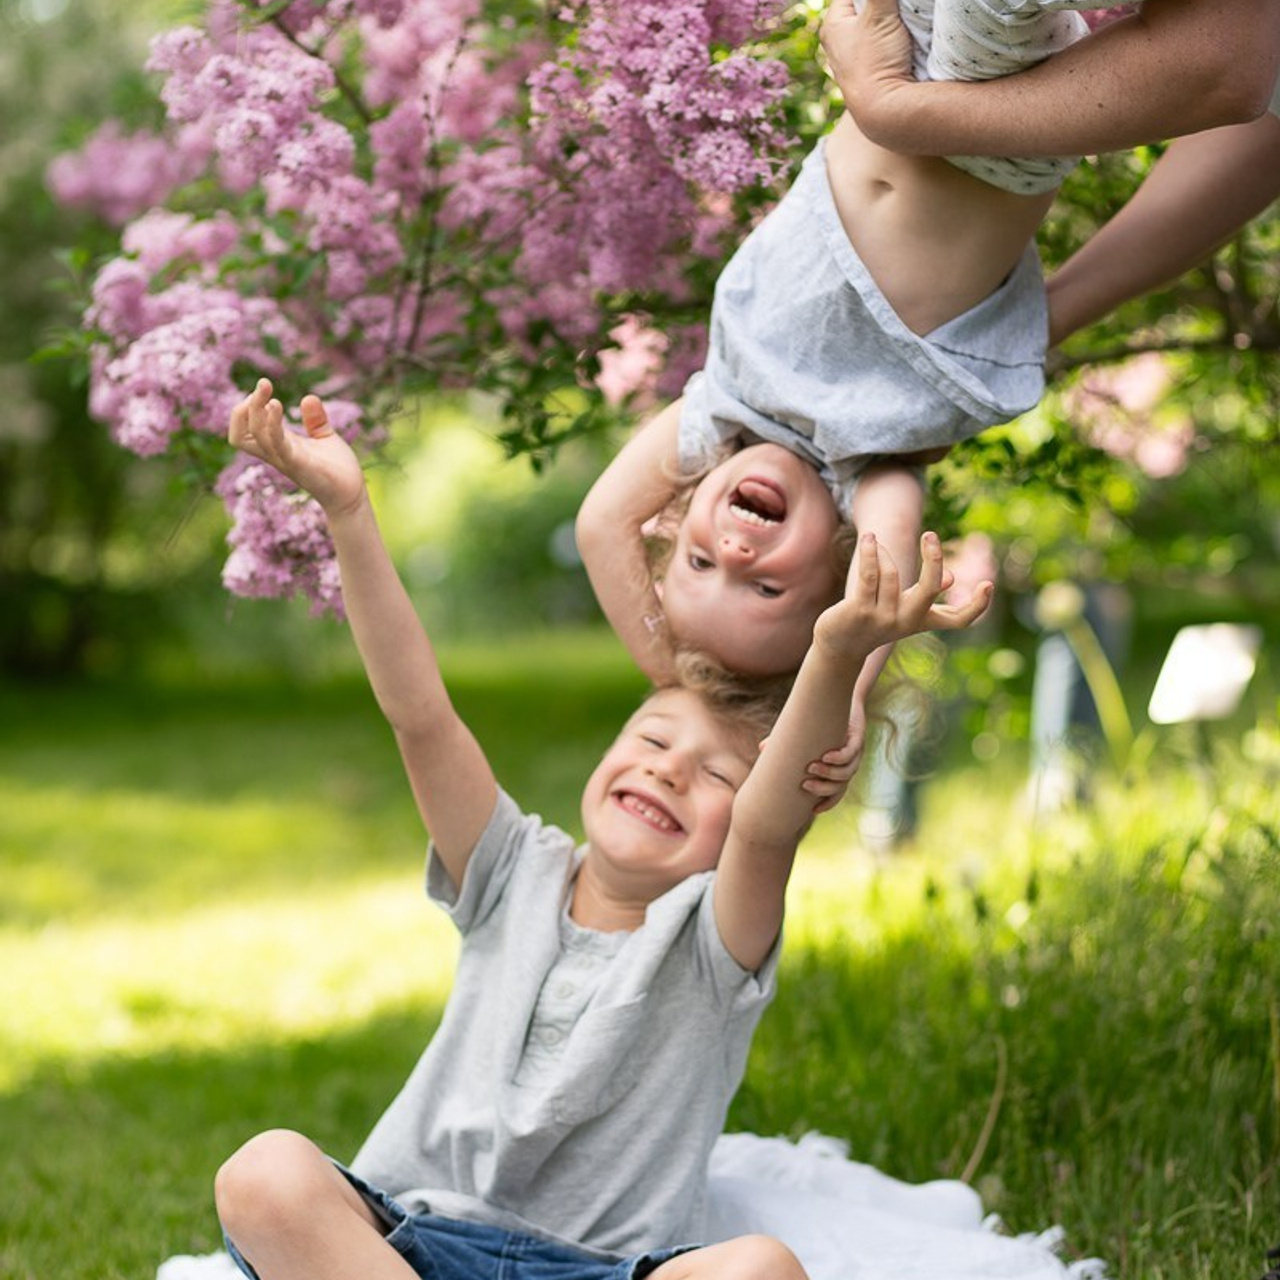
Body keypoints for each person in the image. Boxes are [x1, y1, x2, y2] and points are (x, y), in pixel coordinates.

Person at [212, 378, 992, 1280]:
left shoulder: (714, 940)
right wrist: (349, 510)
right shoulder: (508, 871)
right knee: (264, 1172)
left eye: (715, 778)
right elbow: (421, 714)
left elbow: (773, 818)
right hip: (407, 1244)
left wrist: (837, 650)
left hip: (597, 1270)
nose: (668, 768)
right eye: (654, 739)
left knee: (760, 1270)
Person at [577, 0, 1125, 742]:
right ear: (838, 580)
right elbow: (886, 583)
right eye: (764, 586)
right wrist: (847, 691)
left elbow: (602, 525)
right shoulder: (867, 473)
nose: (735, 553)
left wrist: (668, 674)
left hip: (896, 65)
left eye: (700, 561)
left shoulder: (722, 416)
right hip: (992, 106)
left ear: (675, 522)